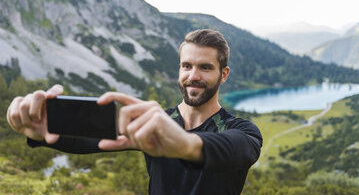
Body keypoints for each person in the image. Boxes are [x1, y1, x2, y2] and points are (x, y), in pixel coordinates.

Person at [7, 29, 263, 195]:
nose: (193, 76)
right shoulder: (156, 121)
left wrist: (183, 143)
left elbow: (235, 148)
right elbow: (95, 137)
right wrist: (44, 129)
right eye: (186, 66)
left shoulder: (241, 131)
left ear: (224, 74)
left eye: (205, 68)